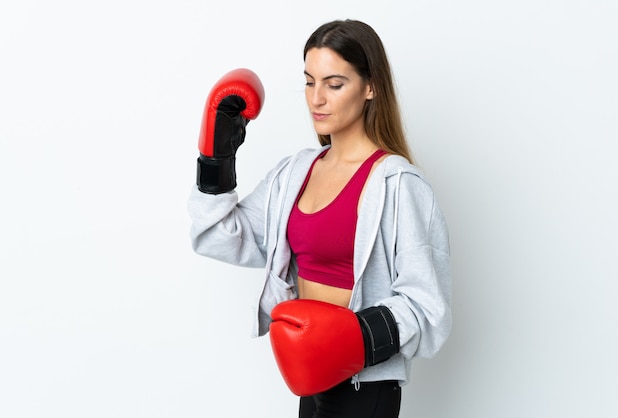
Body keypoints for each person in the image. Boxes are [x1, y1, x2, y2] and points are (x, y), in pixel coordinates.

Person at [188, 19, 451, 418]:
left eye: (334, 83)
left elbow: (428, 308)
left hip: (366, 384)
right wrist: (217, 157)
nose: (317, 99)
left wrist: (353, 338)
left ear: (370, 87)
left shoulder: (399, 185)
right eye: (309, 81)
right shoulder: (295, 172)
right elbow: (220, 235)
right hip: (308, 378)